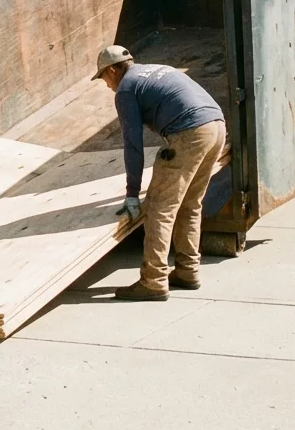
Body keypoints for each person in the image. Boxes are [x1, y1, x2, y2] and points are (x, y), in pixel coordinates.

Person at [95, 45, 227, 301]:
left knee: (159, 208)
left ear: (112, 70)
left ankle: (153, 280)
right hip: (216, 127)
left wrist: (132, 193)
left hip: (190, 132)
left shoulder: (125, 89)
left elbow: (133, 143)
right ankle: (188, 271)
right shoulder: (158, 69)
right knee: (190, 204)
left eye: (104, 78)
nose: (107, 85)